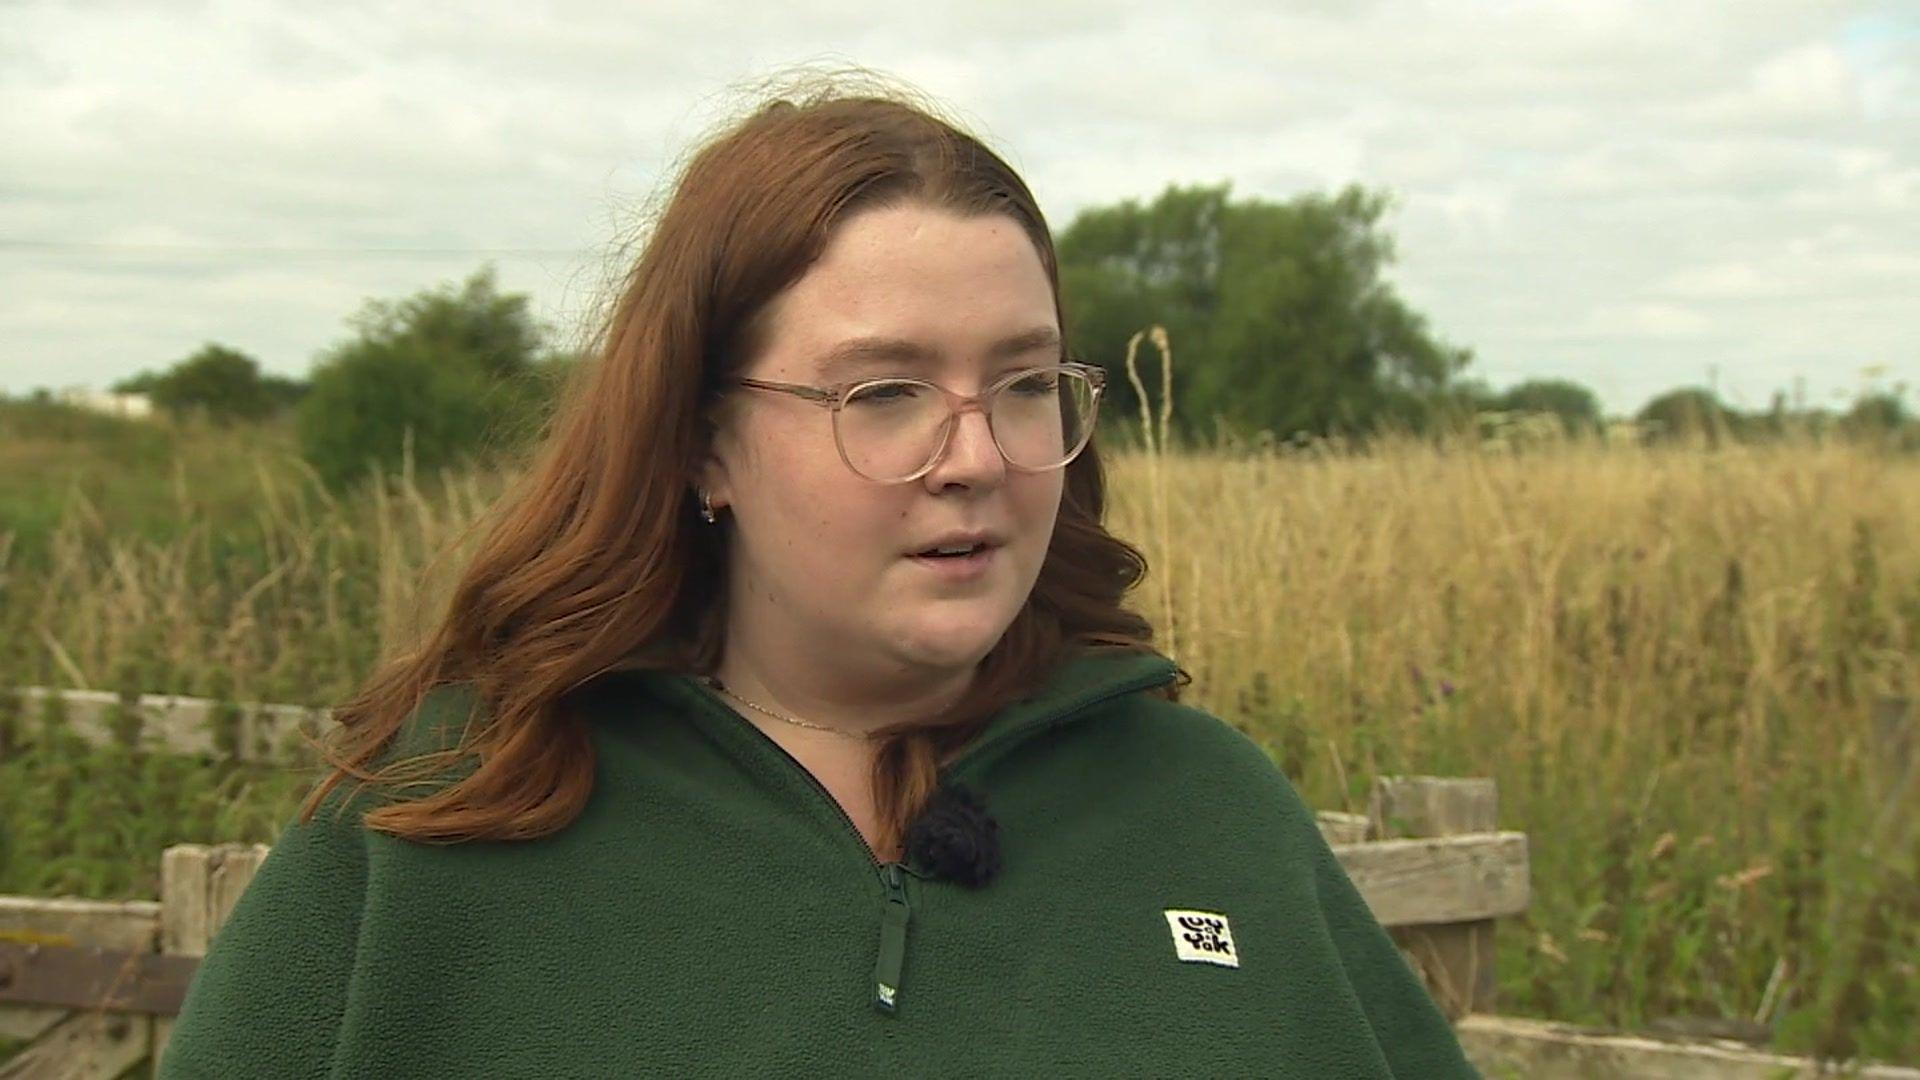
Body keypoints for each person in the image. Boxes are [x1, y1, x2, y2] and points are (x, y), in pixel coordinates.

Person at [158, 72, 1481, 1078]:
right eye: (885, 390)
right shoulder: (441, 820)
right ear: (702, 441)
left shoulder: (1209, 815)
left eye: (1023, 384)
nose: (975, 456)